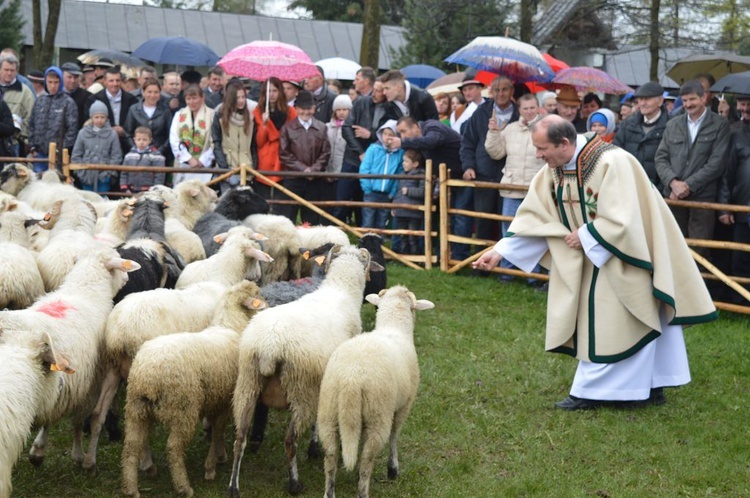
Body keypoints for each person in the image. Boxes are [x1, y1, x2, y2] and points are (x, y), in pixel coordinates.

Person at [473, 115, 717, 410]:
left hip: (628, 256)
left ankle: (594, 391)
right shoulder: (554, 168)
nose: (538, 155)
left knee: (621, 319)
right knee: (613, 320)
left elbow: (627, 217)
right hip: (594, 258)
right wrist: (500, 251)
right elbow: (536, 215)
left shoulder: (614, 162)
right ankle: (647, 385)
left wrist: (588, 235)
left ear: (564, 143)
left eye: (542, 148)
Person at [654, 80, 730, 258]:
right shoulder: (673, 124)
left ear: (704, 98)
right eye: (685, 100)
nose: (688, 104)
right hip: (673, 197)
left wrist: (687, 185)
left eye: (692, 99)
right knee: (671, 247)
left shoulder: (719, 125)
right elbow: (661, 157)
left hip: (702, 199)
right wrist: (672, 182)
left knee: (699, 251)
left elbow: (717, 164)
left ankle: (697, 286)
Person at [484, 92, 545, 283]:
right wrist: (493, 132)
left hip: (535, 189)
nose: (528, 112)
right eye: (525, 108)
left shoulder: (545, 128)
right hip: (511, 186)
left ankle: (532, 275)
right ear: (519, 109)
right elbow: (496, 152)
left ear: (538, 108)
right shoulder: (510, 129)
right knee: (509, 230)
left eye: (532, 108)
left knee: (533, 231)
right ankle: (507, 272)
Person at [459, 75, 519, 261]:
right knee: (483, 219)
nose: (500, 94)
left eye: (505, 89)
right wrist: (468, 166)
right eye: (497, 90)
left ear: (512, 91)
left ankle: (505, 264)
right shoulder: (481, 112)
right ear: (491, 92)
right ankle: (482, 262)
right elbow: (468, 142)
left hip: (510, 175)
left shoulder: (520, 114)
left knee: (507, 221)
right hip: (484, 173)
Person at [338, 79, 395, 225]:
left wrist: (371, 135)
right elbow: (346, 128)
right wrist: (360, 152)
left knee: (364, 201)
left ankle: (363, 237)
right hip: (353, 158)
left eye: (379, 91)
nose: (374, 94)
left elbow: (389, 135)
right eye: (373, 90)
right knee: (342, 199)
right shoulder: (361, 102)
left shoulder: (391, 109)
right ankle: (334, 233)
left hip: (375, 162)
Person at [278, 90, 331, 224]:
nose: (306, 112)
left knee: (312, 216)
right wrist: (302, 169)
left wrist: (314, 169)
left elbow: (326, 153)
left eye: (309, 108)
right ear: (296, 109)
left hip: (314, 179)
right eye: (302, 108)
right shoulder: (287, 128)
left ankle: (311, 244)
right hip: (293, 178)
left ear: (314, 108)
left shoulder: (322, 127)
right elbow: (284, 153)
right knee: (288, 215)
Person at [718, 94, 750, 303]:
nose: (745, 109)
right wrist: (724, 207)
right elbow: (726, 173)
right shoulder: (735, 132)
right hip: (742, 207)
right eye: (743, 104)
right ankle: (741, 301)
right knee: (741, 258)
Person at [613, 81, 669, 190]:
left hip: (657, 191)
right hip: (628, 187)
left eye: (647, 99)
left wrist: (661, 190)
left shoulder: (670, 126)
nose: (642, 103)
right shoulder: (627, 124)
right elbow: (615, 153)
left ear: (660, 101)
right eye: (640, 99)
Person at [253, 77, 297, 201]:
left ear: (280, 92)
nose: (271, 94)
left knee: (281, 202)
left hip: (283, 158)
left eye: (275, 90)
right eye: (268, 91)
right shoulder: (258, 112)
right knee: (263, 200)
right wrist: (264, 125)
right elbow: (260, 142)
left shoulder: (290, 111)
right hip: (265, 160)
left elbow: (292, 137)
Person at [27, 66, 78, 173]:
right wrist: (33, 147)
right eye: (50, 82)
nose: (53, 86)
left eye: (56, 82)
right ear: (45, 82)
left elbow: (72, 130)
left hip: (58, 155)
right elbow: (31, 124)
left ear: (61, 82)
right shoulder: (40, 100)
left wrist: (61, 149)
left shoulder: (68, 102)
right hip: (39, 153)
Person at [359, 119, 404, 230]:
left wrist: (392, 193)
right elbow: (364, 169)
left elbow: (398, 175)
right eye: (385, 134)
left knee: (381, 223)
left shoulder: (399, 153)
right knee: (368, 222)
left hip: (386, 194)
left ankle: (379, 245)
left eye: (391, 134)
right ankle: (365, 245)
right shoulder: (373, 149)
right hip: (371, 192)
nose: (387, 137)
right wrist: (367, 188)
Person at [212, 79, 255, 193]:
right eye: (237, 98)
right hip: (227, 170)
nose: (241, 101)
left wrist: (254, 166)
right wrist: (224, 169)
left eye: (243, 97)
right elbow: (216, 143)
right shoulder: (219, 116)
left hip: (247, 170)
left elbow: (253, 145)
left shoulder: (251, 118)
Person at [71, 100, 122, 192]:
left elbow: (116, 156)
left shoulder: (112, 134)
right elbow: (76, 155)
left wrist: (109, 175)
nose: (99, 120)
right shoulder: (82, 133)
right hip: (86, 177)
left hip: (104, 178)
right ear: (91, 117)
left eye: (102, 117)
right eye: (96, 117)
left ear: (106, 118)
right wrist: (81, 173)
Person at [86, 66, 138, 156]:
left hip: (127, 145)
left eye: (117, 80)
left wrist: (124, 131)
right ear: (105, 82)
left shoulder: (131, 100)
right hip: (102, 144)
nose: (115, 84)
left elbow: (135, 122)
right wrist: (110, 129)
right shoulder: (94, 100)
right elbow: (89, 123)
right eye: (111, 81)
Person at [169, 84, 215, 185]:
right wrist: (189, 158)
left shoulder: (212, 115)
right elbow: (174, 139)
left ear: (202, 98)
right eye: (188, 99)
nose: (192, 102)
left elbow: (215, 141)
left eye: (194, 98)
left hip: (204, 165)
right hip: (184, 163)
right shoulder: (179, 115)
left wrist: (202, 160)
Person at [124, 77, 172, 164]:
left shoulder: (166, 111)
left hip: (160, 156)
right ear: (143, 92)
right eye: (149, 92)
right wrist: (137, 149)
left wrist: (159, 151)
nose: (152, 95)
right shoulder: (134, 109)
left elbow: (170, 135)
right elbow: (128, 133)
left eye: (156, 92)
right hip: (137, 157)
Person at [392, 149, 426, 254]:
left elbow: (423, 192)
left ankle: (415, 258)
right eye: (403, 161)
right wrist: (394, 206)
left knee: (413, 237)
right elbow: (398, 193)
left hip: (414, 212)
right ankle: (404, 258)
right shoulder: (402, 175)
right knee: (402, 236)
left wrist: (409, 191)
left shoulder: (421, 175)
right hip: (401, 211)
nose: (403, 163)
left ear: (415, 164)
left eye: (406, 161)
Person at [0, 53, 35, 154]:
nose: (9, 73)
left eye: (12, 70)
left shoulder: (25, 92)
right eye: (6, 70)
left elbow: (31, 118)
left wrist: (19, 134)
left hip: (13, 143)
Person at [325, 94, 352, 212]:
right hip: (327, 171)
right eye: (339, 109)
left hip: (342, 171)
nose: (341, 112)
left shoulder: (351, 129)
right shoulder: (326, 127)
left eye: (345, 109)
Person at [120, 126, 166, 193]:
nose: (141, 142)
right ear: (134, 140)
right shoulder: (129, 156)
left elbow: (159, 174)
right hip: (131, 189)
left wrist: (156, 189)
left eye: (144, 140)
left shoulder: (156, 156)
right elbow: (124, 173)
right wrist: (124, 187)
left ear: (150, 140)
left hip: (149, 190)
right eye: (139, 139)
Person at [61, 62, 89, 130]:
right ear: (62, 76)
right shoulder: (56, 96)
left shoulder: (87, 97)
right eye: (69, 77)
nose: (72, 80)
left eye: (76, 77)